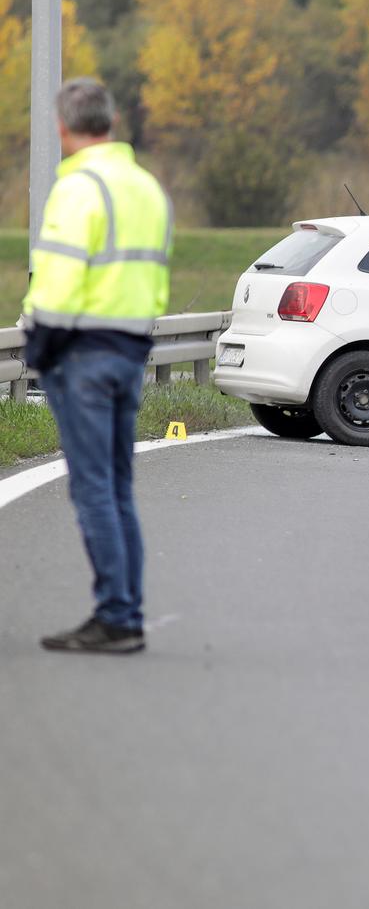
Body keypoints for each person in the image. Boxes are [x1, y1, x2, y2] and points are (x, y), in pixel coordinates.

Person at [21, 78, 172, 653]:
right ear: (109, 121)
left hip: (81, 355)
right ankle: (125, 612)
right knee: (117, 488)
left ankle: (116, 617)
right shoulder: (147, 189)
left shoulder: (79, 188)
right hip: (130, 351)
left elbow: (57, 285)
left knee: (92, 491)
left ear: (63, 127)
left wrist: (38, 352)